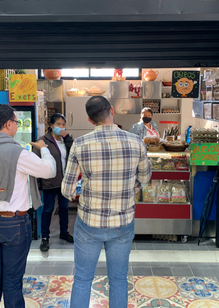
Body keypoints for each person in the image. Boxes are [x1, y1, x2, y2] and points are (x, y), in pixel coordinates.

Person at [61, 96, 152, 308]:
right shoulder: (135, 141)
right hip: (123, 223)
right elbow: (146, 180)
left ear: (90, 120)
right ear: (112, 110)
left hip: (89, 224)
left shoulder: (80, 144)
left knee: (82, 280)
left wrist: (84, 190)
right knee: (118, 280)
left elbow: (67, 190)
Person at [0, 104, 56, 308]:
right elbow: (49, 170)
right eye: (15, 121)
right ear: (8, 124)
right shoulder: (16, 153)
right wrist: (45, 150)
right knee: (13, 280)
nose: (16, 125)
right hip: (13, 223)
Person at [33, 113, 74, 252]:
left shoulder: (66, 140)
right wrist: (39, 184)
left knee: (64, 208)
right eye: (58, 124)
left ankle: (64, 232)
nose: (61, 127)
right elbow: (37, 163)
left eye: (63, 124)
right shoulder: (43, 141)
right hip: (49, 182)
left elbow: (73, 155)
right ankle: (45, 238)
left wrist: (68, 139)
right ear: (51, 126)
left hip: (65, 181)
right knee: (48, 209)